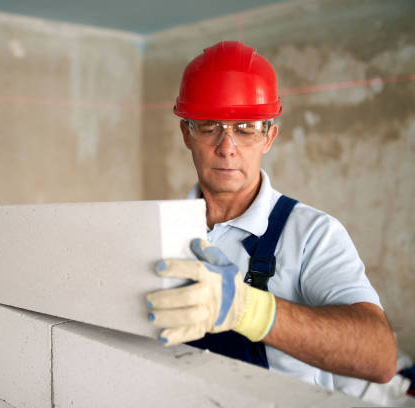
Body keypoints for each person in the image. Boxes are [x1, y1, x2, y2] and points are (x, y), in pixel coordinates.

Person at [144, 41, 396, 389]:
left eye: (245, 127)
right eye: (209, 126)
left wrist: (250, 310)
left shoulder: (313, 235)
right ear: (187, 133)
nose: (227, 146)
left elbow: (380, 357)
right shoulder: (157, 230)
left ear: (269, 137)